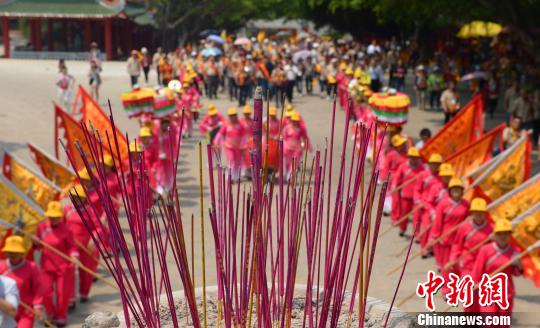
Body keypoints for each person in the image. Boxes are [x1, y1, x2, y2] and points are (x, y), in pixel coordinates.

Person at [447, 198, 492, 312]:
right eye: (476, 212)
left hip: (484, 268)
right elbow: (457, 244)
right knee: (469, 294)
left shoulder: (491, 229)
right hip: (467, 265)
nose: (479, 215)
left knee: (482, 296)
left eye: (481, 212)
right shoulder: (464, 227)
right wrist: (453, 258)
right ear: (472, 213)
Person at [37, 201, 78, 327]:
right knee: (45, 293)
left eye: (56, 217)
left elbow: (72, 247)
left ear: (60, 216)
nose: (53, 219)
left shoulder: (66, 229)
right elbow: (37, 246)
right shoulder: (42, 227)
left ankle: (61, 315)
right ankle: (50, 314)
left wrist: (74, 256)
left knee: (62, 294)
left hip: (63, 267)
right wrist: (34, 242)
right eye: (51, 216)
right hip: (46, 266)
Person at [472, 219, 521, 318]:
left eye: (506, 234)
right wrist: (474, 284)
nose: (503, 237)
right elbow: (477, 269)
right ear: (495, 235)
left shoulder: (515, 251)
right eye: (500, 234)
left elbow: (517, 273)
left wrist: (518, 264)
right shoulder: (485, 250)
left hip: (506, 291)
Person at [65, 185, 102, 304]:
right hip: (70, 246)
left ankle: (84, 293)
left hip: (86, 246)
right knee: (68, 272)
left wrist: (94, 239)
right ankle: (70, 299)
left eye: (79, 197)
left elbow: (98, 227)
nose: (76, 199)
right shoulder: (67, 209)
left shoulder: (90, 211)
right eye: (74, 197)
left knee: (86, 272)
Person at [429, 177, 469, 277]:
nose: (456, 191)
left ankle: (457, 284)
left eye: (458, 188)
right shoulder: (443, 204)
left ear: (462, 190)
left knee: (457, 263)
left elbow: (468, 222)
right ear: (450, 190)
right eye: (453, 188)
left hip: (459, 239)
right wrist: (435, 236)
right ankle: (447, 287)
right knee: (446, 265)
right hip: (445, 238)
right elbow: (438, 222)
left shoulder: (466, 204)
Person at [0, 236, 42, 328]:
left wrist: (37, 306)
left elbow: (37, 288)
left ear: (22, 252)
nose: (12, 254)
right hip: (6, 311)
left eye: (16, 252)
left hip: (25, 311)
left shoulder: (32, 267)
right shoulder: (1, 266)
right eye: (10, 252)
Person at [391, 147, 424, 236]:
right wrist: (394, 185)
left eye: (415, 157)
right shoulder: (403, 166)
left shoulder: (422, 168)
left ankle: (417, 234)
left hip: (417, 197)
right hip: (406, 195)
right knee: (404, 214)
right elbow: (397, 177)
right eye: (411, 156)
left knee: (417, 216)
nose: (413, 158)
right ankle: (402, 228)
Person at [214, 108, 248, 181]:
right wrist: (216, 142)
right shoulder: (226, 124)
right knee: (231, 161)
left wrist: (244, 147)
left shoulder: (240, 125)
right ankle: (229, 177)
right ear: (229, 117)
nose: (233, 117)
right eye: (231, 116)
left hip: (238, 147)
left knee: (237, 162)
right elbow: (220, 134)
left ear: (236, 116)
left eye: (234, 115)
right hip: (229, 147)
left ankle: (236, 177)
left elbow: (244, 137)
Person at [283, 112, 311, 178]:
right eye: (294, 121)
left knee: (295, 162)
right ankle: (288, 173)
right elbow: (283, 138)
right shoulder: (287, 128)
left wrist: (308, 146)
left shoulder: (301, 129)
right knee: (287, 162)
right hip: (288, 148)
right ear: (291, 121)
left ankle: (290, 173)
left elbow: (305, 138)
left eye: (296, 121)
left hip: (297, 149)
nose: (295, 122)